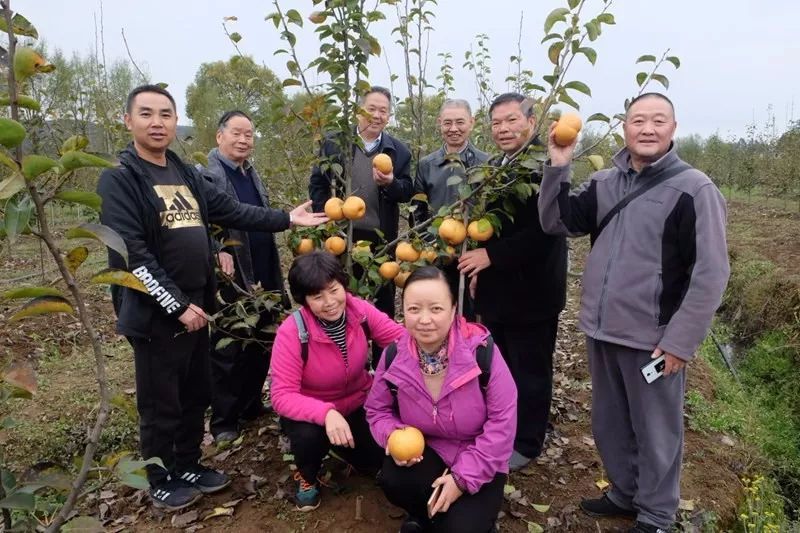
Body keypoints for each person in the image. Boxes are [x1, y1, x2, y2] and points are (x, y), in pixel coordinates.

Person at [97, 85, 327, 511]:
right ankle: (159, 476)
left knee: (195, 393)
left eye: (165, 114)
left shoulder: (182, 172)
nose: (157, 122)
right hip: (156, 315)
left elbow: (229, 208)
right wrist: (176, 305)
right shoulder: (120, 179)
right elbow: (133, 256)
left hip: (198, 307)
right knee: (160, 400)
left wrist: (284, 220)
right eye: (146, 114)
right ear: (127, 120)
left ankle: (188, 463)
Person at [538, 92, 730, 533]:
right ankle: (625, 492)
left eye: (658, 120)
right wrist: (558, 164)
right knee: (609, 421)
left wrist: (680, 340)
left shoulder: (694, 189)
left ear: (673, 129)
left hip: (653, 337)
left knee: (657, 431)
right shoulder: (606, 182)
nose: (647, 128)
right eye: (638, 120)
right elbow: (557, 222)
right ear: (624, 127)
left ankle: (658, 513)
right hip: (602, 329)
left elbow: (712, 273)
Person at [457, 92, 567, 471]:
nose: (503, 129)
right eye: (497, 122)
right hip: (499, 290)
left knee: (530, 371)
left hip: (532, 292)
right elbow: (491, 229)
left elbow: (545, 232)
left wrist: (491, 257)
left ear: (531, 123)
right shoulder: (498, 168)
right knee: (501, 368)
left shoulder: (542, 167)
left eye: (511, 120)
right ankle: (504, 428)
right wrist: (480, 273)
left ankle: (527, 441)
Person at [365, 266, 517, 533]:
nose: (424, 320)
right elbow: (377, 411)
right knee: (394, 479)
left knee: (462, 527)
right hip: (427, 450)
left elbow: (502, 424)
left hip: (479, 454)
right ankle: (423, 517)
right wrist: (392, 435)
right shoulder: (394, 356)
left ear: (453, 308)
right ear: (403, 311)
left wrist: (460, 480)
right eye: (414, 309)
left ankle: (460, 519)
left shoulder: (482, 353)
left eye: (435, 309)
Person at [269, 251, 406, 511]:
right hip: (312, 410)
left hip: (357, 401)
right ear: (305, 299)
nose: (329, 302)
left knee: (378, 458)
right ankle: (307, 476)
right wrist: (326, 413)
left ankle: (347, 449)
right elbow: (282, 394)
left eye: (333, 290)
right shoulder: (293, 331)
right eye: (317, 296)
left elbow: (400, 341)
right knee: (308, 438)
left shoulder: (360, 313)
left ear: (343, 285)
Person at [201, 110, 288, 444]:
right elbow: (200, 219)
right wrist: (215, 248)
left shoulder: (250, 173)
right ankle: (224, 419)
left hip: (263, 271)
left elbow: (259, 216)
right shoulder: (208, 175)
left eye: (249, 134)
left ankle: (250, 403)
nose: (243, 140)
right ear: (219, 136)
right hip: (232, 276)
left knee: (263, 340)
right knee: (229, 346)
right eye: (236, 133)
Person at [309, 86, 413, 321]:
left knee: (381, 303)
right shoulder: (335, 143)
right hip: (342, 236)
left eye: (383, 111)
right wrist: (325, 219)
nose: (377, 116)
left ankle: (382, 357)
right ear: (358, 111)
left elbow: (407, 191)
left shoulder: (399, 152)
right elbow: (318, 184)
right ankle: (345, 354)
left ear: (389, 116)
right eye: (371, 109)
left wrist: (391, 183)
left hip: (381, 239)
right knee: (339, 298)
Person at [413, 99, 489, 319]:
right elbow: (418, 211)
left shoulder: (486, 164)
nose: (453, 129)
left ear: (472, 123)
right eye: (447, 123)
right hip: (436, 251)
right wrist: (429, 245)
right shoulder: (427, 164)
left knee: (469, 316)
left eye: (460, 122)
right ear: (439, 123)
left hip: (471, 253)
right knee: (437, 310)